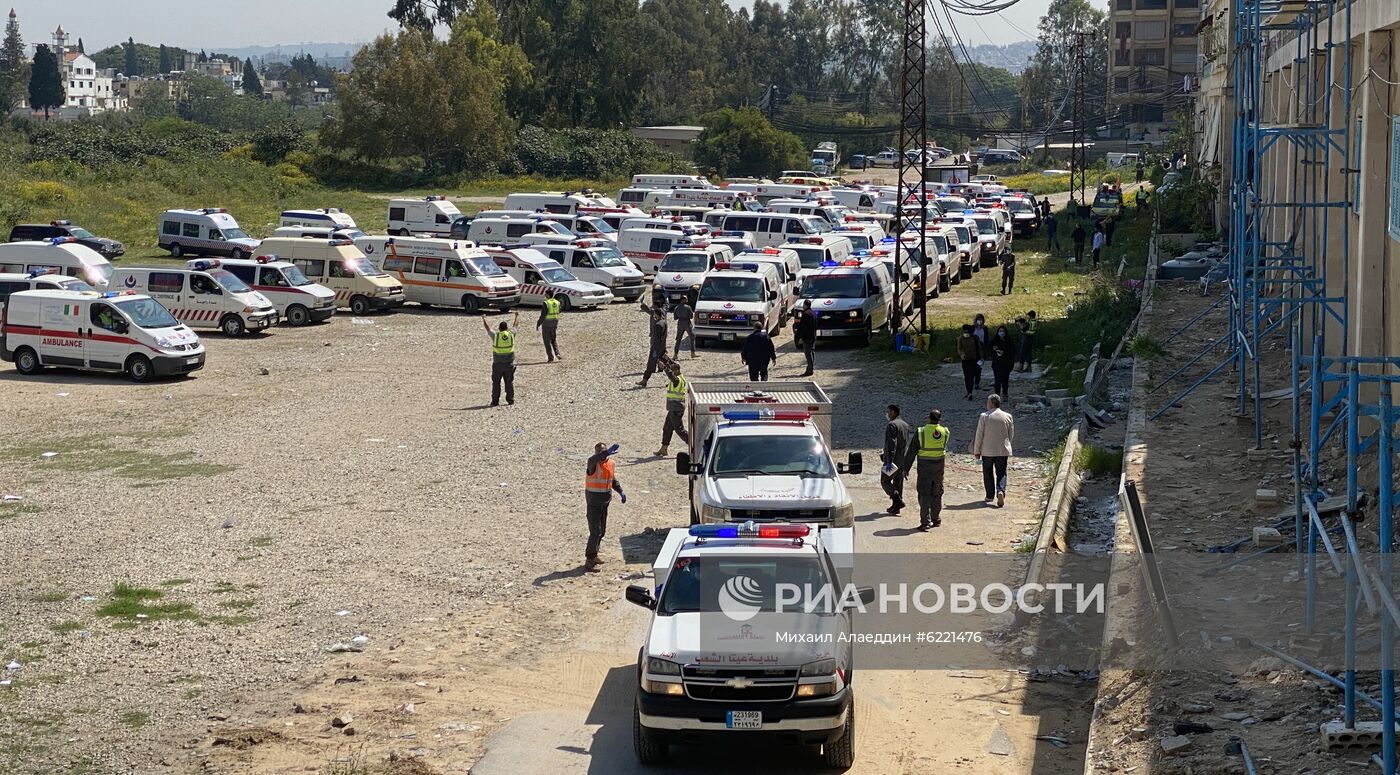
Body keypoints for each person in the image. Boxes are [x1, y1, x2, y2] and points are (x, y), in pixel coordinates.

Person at [584, 442, 626, 570]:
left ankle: (594, 554)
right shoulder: (593, 463)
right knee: (595, 532)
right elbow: (591, 459)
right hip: (593, 503)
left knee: (601, 532)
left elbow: (612, 480)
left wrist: (620, 491)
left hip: (605, 503)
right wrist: (605, 453)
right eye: (598, 452)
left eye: (603, 451)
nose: (600, 454)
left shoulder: (610, 463)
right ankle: (589, 560)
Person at [972, 394, 1014, 508]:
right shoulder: (1007, 416)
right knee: (1001, 472)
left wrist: (977, 450)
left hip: (987, 451)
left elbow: (979, 434)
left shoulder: (984, 416)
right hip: (1002, 450)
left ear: (991, 403)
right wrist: (1007, 445)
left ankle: (989, 495)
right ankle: (1000, 490)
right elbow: (1010, 434)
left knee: (988, 472)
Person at [913, 409, 949, 530]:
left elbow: (912, 450)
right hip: (939, 467)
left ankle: (925, 522)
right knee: (937, 493)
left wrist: (905, 468)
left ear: (929, 418)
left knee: (924, 494)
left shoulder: (921, 431)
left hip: (924, 468)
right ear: (939, 419)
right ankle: (936, 518)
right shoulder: (945, 431)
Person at [880, 404, 915, 514]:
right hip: (902, 458)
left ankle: (896, 499)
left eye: (889, 412)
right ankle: (896, 507)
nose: (887, 414)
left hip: (893, 460)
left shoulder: (892, 425)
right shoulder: (905, 425)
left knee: (885, 481)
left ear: (894, 412)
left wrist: (888, 460)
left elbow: (892, 444)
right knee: (898, 482)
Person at [481, 312, 519, 406]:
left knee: (496, 384)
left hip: (497, 364)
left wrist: (484, 319)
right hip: (509, 364)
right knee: (509, 383)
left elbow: (488, 329)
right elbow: (516, 326)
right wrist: (517, 316)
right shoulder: (511, 335)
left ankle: (495, 401)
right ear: (506, 328)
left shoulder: (496, 336)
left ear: (499, 328)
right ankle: (510, 400)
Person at [656, 359, 689, 457]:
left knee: (679, 430)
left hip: (676, 409)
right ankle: (664, 448)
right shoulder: (680, 377)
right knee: (667, 428)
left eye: (673, 371)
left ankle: (694, 444)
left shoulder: (677, 380)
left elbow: (671, 376)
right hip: (673, 409)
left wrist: (665, 368)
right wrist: (666, 360)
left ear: (677, 371)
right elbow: (672, 367)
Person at [636, 303, 669, 387]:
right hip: (662, 347)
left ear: (656, 315)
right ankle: (674, 378)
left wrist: (654, 349)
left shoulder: (658, 325)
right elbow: (664, 337)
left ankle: (644, 380)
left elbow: (656, 339)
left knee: (651, 363)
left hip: (656, 348)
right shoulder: (664, 322)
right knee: (667, 363)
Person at [957, 324, 982, 401]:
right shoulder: (961, 338)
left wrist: (981, 358)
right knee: (966, 376)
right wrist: (962, 354)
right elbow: (959, 348)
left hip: (973, 360)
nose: (966, 334)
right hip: (965, 360)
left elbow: (979, 349)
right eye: (965, 332)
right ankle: (968, 391)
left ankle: (970, 392)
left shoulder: (975, 338)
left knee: (971, 376)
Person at [990, 324, 1016, 398]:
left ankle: (1005, 394)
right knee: (997, 380)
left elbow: (1012, 351)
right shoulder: (995, 340)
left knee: (1005, 380)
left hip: (1006, 363)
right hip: (997, 363)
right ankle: (997, 395)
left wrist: (1004, 352)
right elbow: (989, 348)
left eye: (1003, 331)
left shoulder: (1009, 341)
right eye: (1000, 331)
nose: (1001, 332)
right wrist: (993, 349)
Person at [537, 289, 562, 363]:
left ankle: (550, 358)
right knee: (553, 339)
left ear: (548, 295)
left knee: (547, 341)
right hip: (555, 322)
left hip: (547, 324)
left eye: (545, 294)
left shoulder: (546, 303)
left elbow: (543, 315)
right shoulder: (557, 302)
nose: (544, 295)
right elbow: (559, 310)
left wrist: (538, 323)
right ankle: (557, 353)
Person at [793, 300, 817, 377]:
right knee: (811, 352)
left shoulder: (806, 314)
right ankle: (811, 368)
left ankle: (809, 369)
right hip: (813, 336)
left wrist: (798, 336)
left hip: (807, 337)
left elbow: (803, 327)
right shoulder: (813, 313)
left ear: (805, 305)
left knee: (808, 353)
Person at [971, 314, 989, 390]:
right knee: (972, 367)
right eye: (978, 319)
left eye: (981, 320)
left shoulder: (985, 329)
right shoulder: (972, 328)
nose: (980, 321)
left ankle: (977, 383)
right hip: (973, 349)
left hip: (981, 350)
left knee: (979, 367)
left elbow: (987, 339)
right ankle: (971, 382)